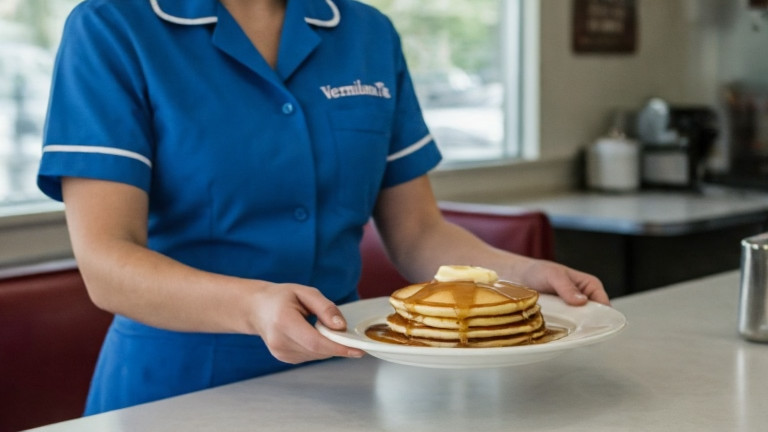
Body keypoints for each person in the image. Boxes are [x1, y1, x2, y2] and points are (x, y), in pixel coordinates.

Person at [37, 0, 609, 416]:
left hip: (344, 384)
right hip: (175, 389)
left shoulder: (367, 33)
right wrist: (255, 305)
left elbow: (417, 233)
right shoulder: (114, 27)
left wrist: (521, 276)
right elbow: (107, 263)